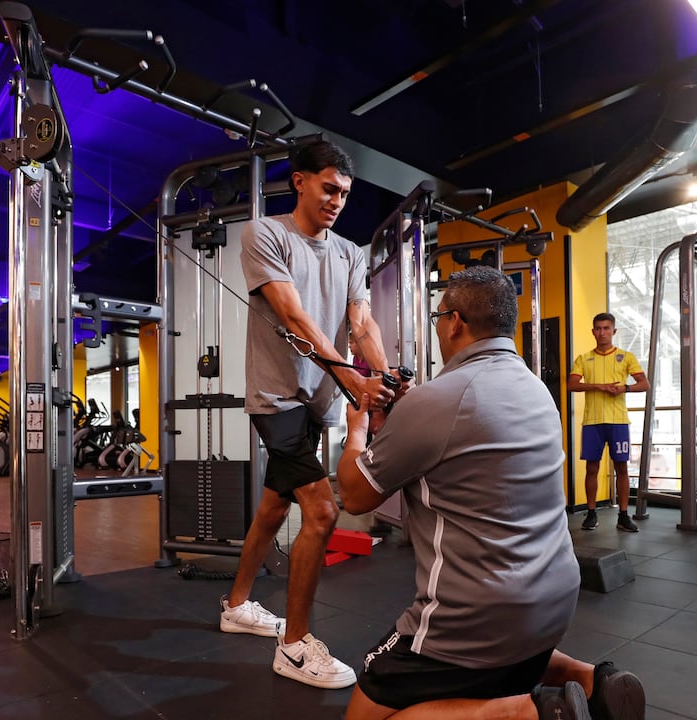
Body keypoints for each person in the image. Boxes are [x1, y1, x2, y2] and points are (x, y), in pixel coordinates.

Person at [335, 266, 645, 720]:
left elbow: (356, 495)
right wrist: (407, 415)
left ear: (455, 321)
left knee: (364, 716)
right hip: (555, 601)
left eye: (440, 316)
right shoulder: (535, 388)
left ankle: (531, 713)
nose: (439, 325)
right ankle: (591, 680)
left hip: (480, 618)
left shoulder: (435, 401)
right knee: (503, 652)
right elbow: (462, 429)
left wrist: (357, 430)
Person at [219, 140, 402, 690]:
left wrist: (384, 378)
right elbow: (295, 316)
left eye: (344, 193)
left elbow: (361, 322)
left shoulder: (350, 252)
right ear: (299, 181)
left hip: (316, 404)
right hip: (276, 401)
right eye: (328, 188)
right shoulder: (265, 234)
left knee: (274, 509)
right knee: (321, 515)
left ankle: (236, 606)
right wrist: (350, 376)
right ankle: (294, 645)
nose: (336, 201)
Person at [568, 313, 650, 533]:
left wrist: (625, 388)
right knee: (591, 468)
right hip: (592, 422)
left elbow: (644, 384)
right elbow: (571, 384)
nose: (601, 332)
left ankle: (623, 515)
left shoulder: (626, 356)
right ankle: (592, 513)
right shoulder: (583, 358)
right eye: (597, 328)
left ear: (613, 331)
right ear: (593, 331)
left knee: (621, 468)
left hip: (618, 421)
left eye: (606, 328)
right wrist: (599, 386)